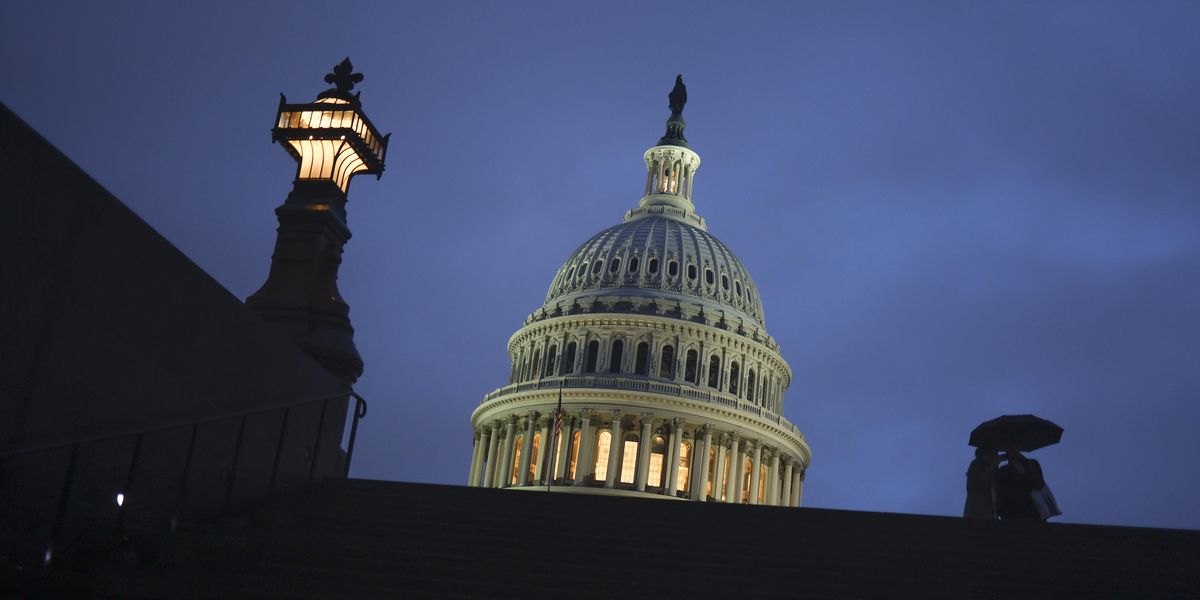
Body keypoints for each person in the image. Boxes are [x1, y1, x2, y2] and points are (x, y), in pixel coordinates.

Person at [995, 443, 1061, 521]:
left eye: (1012, 448)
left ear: (1018, 448)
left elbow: (1039, 484)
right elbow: (1000, 491)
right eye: (1008, 449)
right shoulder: (1003, 470)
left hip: (1033, 512)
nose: (1010, 451)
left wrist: (1023, 473)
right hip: (1011, 514)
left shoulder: (1032, 464)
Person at [964, 446, 1001, 519]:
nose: (996, 456)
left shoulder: (995, 470)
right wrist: (992, 467)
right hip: (975, 509)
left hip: (990, 511)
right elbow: (977, 483)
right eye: (993, 453)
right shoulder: (975, 464)